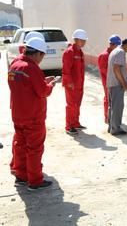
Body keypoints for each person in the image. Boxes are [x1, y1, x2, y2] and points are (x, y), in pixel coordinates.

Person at [8, 37, 56, 191]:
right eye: (42, 56)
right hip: (33, 117)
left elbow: (24, 85)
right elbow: (43, 92)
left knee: (20, 144)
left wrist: (42, 80)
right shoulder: (31, 68)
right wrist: (50, 85)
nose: (41, 60)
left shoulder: (15, 64)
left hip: (18, 114)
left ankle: (21, 176)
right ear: (38, 54)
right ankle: (35, 181)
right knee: (34, 148)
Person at [62, 29, 88, 135]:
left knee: (77, 104)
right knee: (71, 105)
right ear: (76, 40)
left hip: (79, 83)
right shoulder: (69, 52)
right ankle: (69, 126)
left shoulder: (80, 52)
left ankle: (76, 123)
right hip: (71, 84)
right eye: (83, 40)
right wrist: (69, 82)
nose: (84, 42)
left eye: (85, 40)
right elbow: (66, 69)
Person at [107, 38, 127, 135]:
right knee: (118, 106)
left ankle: (111, 126)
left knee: (113, 106)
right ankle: (115, 128)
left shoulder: (115, 50)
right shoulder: (120, 52)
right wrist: (123, 83)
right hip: (116, 84)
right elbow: (116, 68)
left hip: (111, 83)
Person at [97, 35, 121, 124]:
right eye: (117, 46)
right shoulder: (104, 56)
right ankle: (107, 118)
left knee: (114, 99)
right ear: (112, 45)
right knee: (108, 99)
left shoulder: (114, 54)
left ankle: (113, 117)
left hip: (115, 81)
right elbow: (106, 71)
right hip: (108, 82)